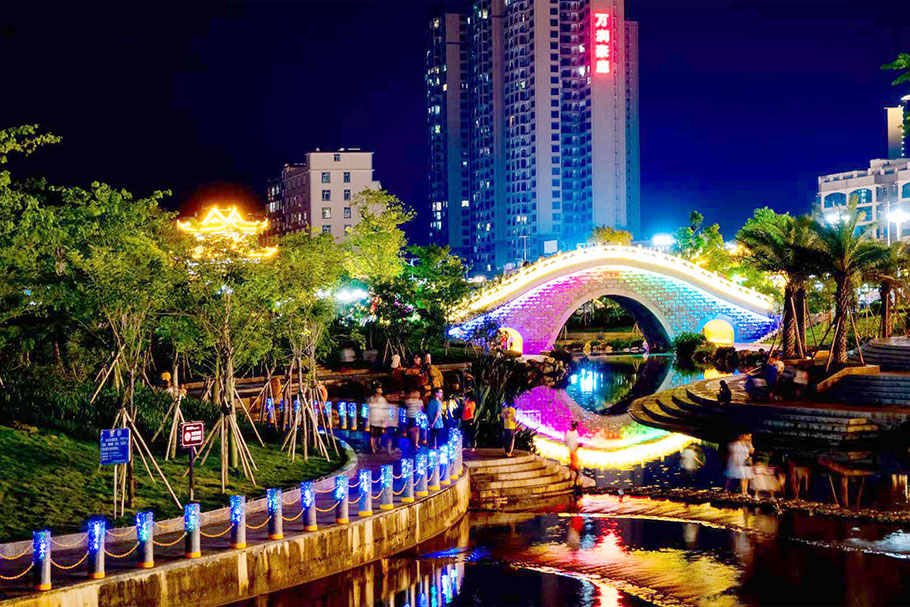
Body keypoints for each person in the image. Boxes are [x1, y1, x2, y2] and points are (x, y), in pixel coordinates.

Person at [367, 385, 389, 454]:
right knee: (373, 435)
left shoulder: (383, 399)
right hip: (373, 420)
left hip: (380, 420)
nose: (379, 393)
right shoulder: (371, 399)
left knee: (378, 435)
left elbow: (385, 408)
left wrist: (385, 419)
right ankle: (373, 448)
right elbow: (368, 406)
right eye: (378, 392)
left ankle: (376, 446)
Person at [565, 420, 580, 486]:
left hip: (572, 451)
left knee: (573, 467)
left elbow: (566, 441)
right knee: (576, 469)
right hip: (573, 451)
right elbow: (575, 442)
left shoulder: (568, 432)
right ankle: (574, 483)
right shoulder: (575, 433)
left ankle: (572, 479)